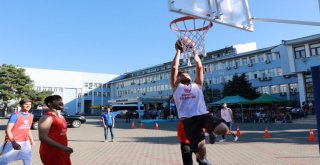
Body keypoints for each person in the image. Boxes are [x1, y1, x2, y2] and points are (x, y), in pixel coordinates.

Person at [171, 40, 228, 165]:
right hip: (189, 120)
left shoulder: (197, 85)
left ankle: (211, 132)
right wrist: (178, 52)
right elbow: (175, 67)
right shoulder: (176, 87)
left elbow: (200, 67)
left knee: (223, 129)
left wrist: (194, 52)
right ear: (179, 79)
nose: (184, 75)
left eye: (186, 74)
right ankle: (200, 156)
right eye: (181, 75)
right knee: (201, 152)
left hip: (202, 115)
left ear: (191, 77)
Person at [38, 95, 73, 165]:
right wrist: (63, 147)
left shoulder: (62, 117)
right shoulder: (47, 118)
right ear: (49, 104)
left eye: (61, 100)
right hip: (51, 153)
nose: (61, 102)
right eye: (57, 100)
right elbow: (42, 137)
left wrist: (64, 148)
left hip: (62, 152)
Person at [0, 98, 34, 165]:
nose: (28, 106)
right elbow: (8, 130)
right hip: (12, 142)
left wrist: (31, 139)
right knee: (4, 160)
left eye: (30, 104)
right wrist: (13, 142)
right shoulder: (15, 115)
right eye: (26, 104)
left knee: (28, 159)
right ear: (21, 105)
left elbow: (28, 128)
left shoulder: (31, 115)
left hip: (25, 142)